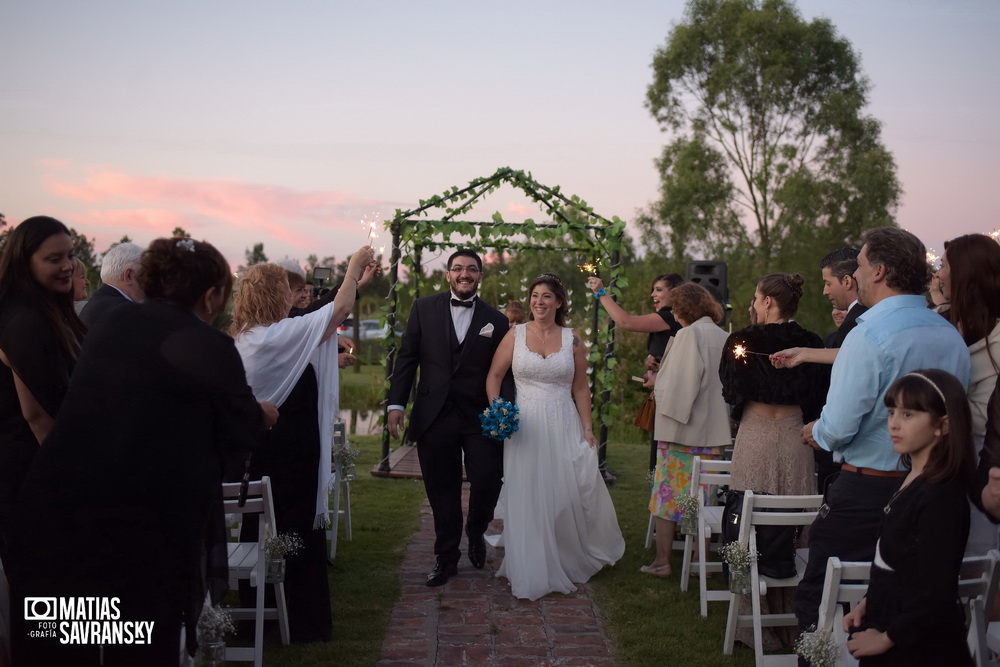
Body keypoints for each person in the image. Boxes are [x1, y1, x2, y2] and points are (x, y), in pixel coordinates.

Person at [9, 237, 277, 666]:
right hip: (141, 529)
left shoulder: (111, 327)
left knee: (72, 645)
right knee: (140, 643)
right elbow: (238, 431)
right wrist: (263, 414)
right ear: (210, 295)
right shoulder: (208, 344)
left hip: (64, 514)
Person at [794, 226, 971, 639]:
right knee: (898, 600)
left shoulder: (868, 336)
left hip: (866, 494)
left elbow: (837, 427)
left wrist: (817, 431)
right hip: (937, 488)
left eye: (858, 265)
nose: (854, 274)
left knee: (822, 602)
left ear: (878, 271)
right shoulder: (950, 335)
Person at [229, 246, 374, 642]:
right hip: (287, 453)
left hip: (268, 451)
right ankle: (298, 618)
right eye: (283, 291)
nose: (290, 299)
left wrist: (355, 283)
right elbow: (336, 313)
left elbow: (323, 326)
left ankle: (265, 614)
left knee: (262, 529)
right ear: (270, 296)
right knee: (289, 529)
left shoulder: (250, 337)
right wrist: (352, 269)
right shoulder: (271, 337)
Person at [484, 273, 624, 599]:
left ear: (558, 302)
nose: (539, 302)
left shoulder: (573, 339)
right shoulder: (515, 335)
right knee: (528, 492)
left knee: (564, 492)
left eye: (547, 296)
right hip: (525, 426)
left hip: (563, 419)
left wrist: (588, 428)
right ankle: (529, 563)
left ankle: (563, 555)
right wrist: (497, 410)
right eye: (535, 296)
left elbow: (580, 387)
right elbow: (494, 375)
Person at [386, 249, 513, 587]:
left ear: (480, 276)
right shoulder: (423, 308)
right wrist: (396, 405)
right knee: (442, 490)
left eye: (471, 269)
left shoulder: (496, 321)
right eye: (457, 269)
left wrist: (504, 411)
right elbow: (407, 359)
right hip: (434, 415)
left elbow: (505, 373)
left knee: (488, 479)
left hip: (479, 418)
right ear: (448, 275)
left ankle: (476, 529)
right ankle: (446, 558)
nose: (464, 274)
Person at [719, 273, 827, 649]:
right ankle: (794, 620)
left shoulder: (742, 341)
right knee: (795, 520)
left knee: (749, 520)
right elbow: (819, 396)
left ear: (767, 302)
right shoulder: (813, 343)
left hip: (756, 434)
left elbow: (731, 391)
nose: (754, 303)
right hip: (796, 434)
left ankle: (755, 624)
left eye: (756, 297)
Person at [843, 370, 974, 666]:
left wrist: (886, 638)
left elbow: (936, 593)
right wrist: (867, 603)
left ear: (943, 425)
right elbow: (898, 564)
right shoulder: (911, 479)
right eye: (891, 412)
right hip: (890, 621)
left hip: (919, 648)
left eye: (909, 414)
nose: (894, 423)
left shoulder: (941, 496)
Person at [0, 215, 86, 563]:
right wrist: (72, 486)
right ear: (25, 263)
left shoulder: (46, 311)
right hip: (32, 477)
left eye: (70, 255)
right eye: (54, 259)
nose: (67, 266)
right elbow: (38, 416)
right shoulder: (24, 321)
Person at [642, 283, 729, 577]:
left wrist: (657, 386)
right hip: (713, 434)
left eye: (674, 309)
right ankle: (698, 563)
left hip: (682, 433)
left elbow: (681, 384)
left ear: (683, 308)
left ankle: (663, 562)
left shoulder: (688, 335)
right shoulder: (724, 336)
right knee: (703, 501)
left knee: (667, 498)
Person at [936, 233, 1000, 558]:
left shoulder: (997, 339)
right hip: (953, 459)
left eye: (944, 265)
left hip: (986, 462)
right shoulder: (944, 324)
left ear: (964, 272)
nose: (937, 273)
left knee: (982, 564)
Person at [588, 273, 684, 471]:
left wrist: (601, 292)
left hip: (672, 399)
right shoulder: (671, 321)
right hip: (664, 396)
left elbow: (626, 322)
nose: (652, 294)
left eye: (659, 290)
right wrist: (651, 364)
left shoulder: (668, 316)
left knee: (664, 459)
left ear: (674, 293)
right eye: (653, 289)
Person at [79, 241, 145, 327]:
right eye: (146, 275)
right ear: (128, 276)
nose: (149, 282)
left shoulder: (95, 305)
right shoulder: (126, 311)